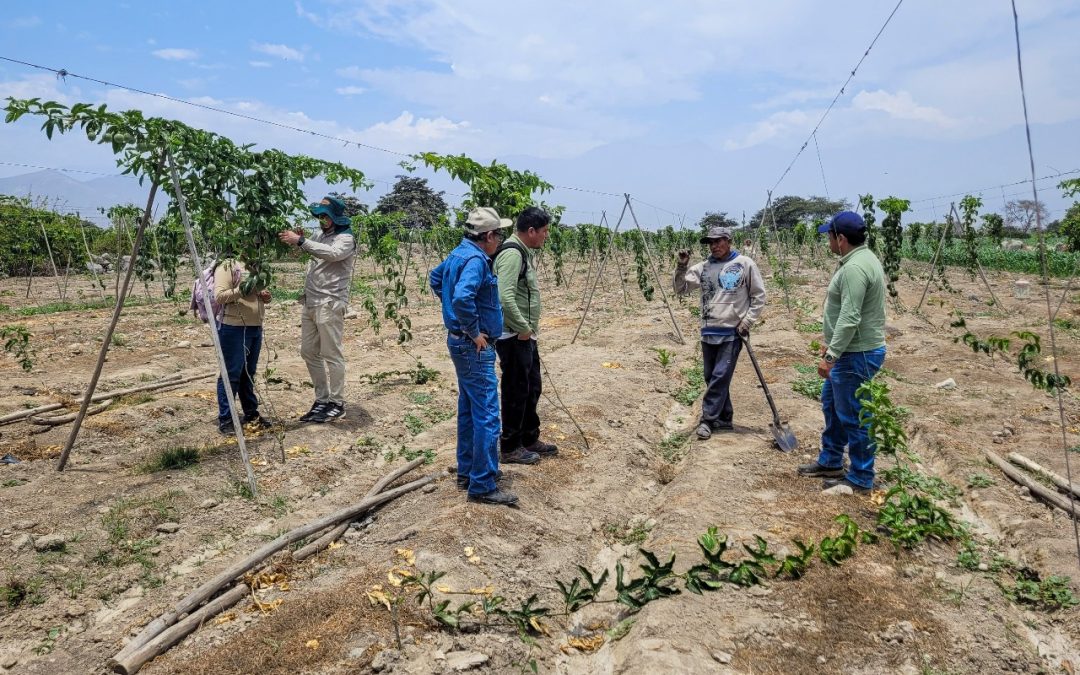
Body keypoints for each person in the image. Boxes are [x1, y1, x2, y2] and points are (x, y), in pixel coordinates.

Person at [430, 207, 518, 507]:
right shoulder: (476, 261)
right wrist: (473, 330)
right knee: (488, 415)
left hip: (460, 344)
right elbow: (462, 296)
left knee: (469, 409)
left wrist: (453, 313)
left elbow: (436, 278)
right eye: (499, 235)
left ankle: (467, 471)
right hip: (473, 347)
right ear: (489, 236)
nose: (500, 241)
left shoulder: (458, 253)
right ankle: (482, 483)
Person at [797, 211, 887, 494]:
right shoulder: (863, 259)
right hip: (850, 350)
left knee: (854, 415)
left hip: (855, 353)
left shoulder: (854, 269)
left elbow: (850, 317)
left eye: (829, 236)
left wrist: (831, 356)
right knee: (832, 405)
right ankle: (831, 460)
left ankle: (861, 476)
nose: (828, 242)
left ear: (841, 238)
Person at [674, 226, 766, 440]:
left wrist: (747, 321)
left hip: (733, 331)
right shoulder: (703, 267)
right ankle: (724, 418)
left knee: (720, 375)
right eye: (711, 243)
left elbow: (759, 295)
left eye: (718, 241)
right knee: (711, 377)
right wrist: (681, 266)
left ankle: (707, 419)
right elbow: (680, 289)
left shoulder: (745, 264)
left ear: (729, 241)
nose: (714, 246)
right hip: (709, 330)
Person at [278, 196, 356, 424]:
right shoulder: (320, 236)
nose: (322, 220)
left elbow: (332, 254)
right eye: (320, 216)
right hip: (311, 302)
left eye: (325, 216)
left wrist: (302, 241)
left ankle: (337, 403)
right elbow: (308, 251)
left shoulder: (346, 238)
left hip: (329, 303)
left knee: (332, 354)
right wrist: (297, 242)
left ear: (335, 217)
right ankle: (322, 399)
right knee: (308, 352)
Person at [493, 206, 558, 465]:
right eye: (544, 231)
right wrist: (522, 327)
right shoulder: (512, 254)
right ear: (531, 231)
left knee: (531, 387)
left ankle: (529, 438)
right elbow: (504, 296)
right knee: (516, 390)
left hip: (524, 335)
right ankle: (510, 447)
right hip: (513, 335)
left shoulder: (522, 252)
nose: (546, 236)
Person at [214, 258, 273, 434]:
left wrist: (265, 296)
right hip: (234, 328)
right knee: (231, 374)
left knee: (248, 373)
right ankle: (226, 418)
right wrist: (244, 289)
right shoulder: (228, 265)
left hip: (255, 328)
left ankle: (251, 414)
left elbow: (255, 295)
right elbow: (219, 296)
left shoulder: (255, 265)